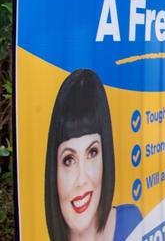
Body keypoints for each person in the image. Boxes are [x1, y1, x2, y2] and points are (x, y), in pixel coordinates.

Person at [45, 69, 142, 241]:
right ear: (54, 172)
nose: (82, 180)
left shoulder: (130, 223)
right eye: (69, 160)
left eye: (92, 152)